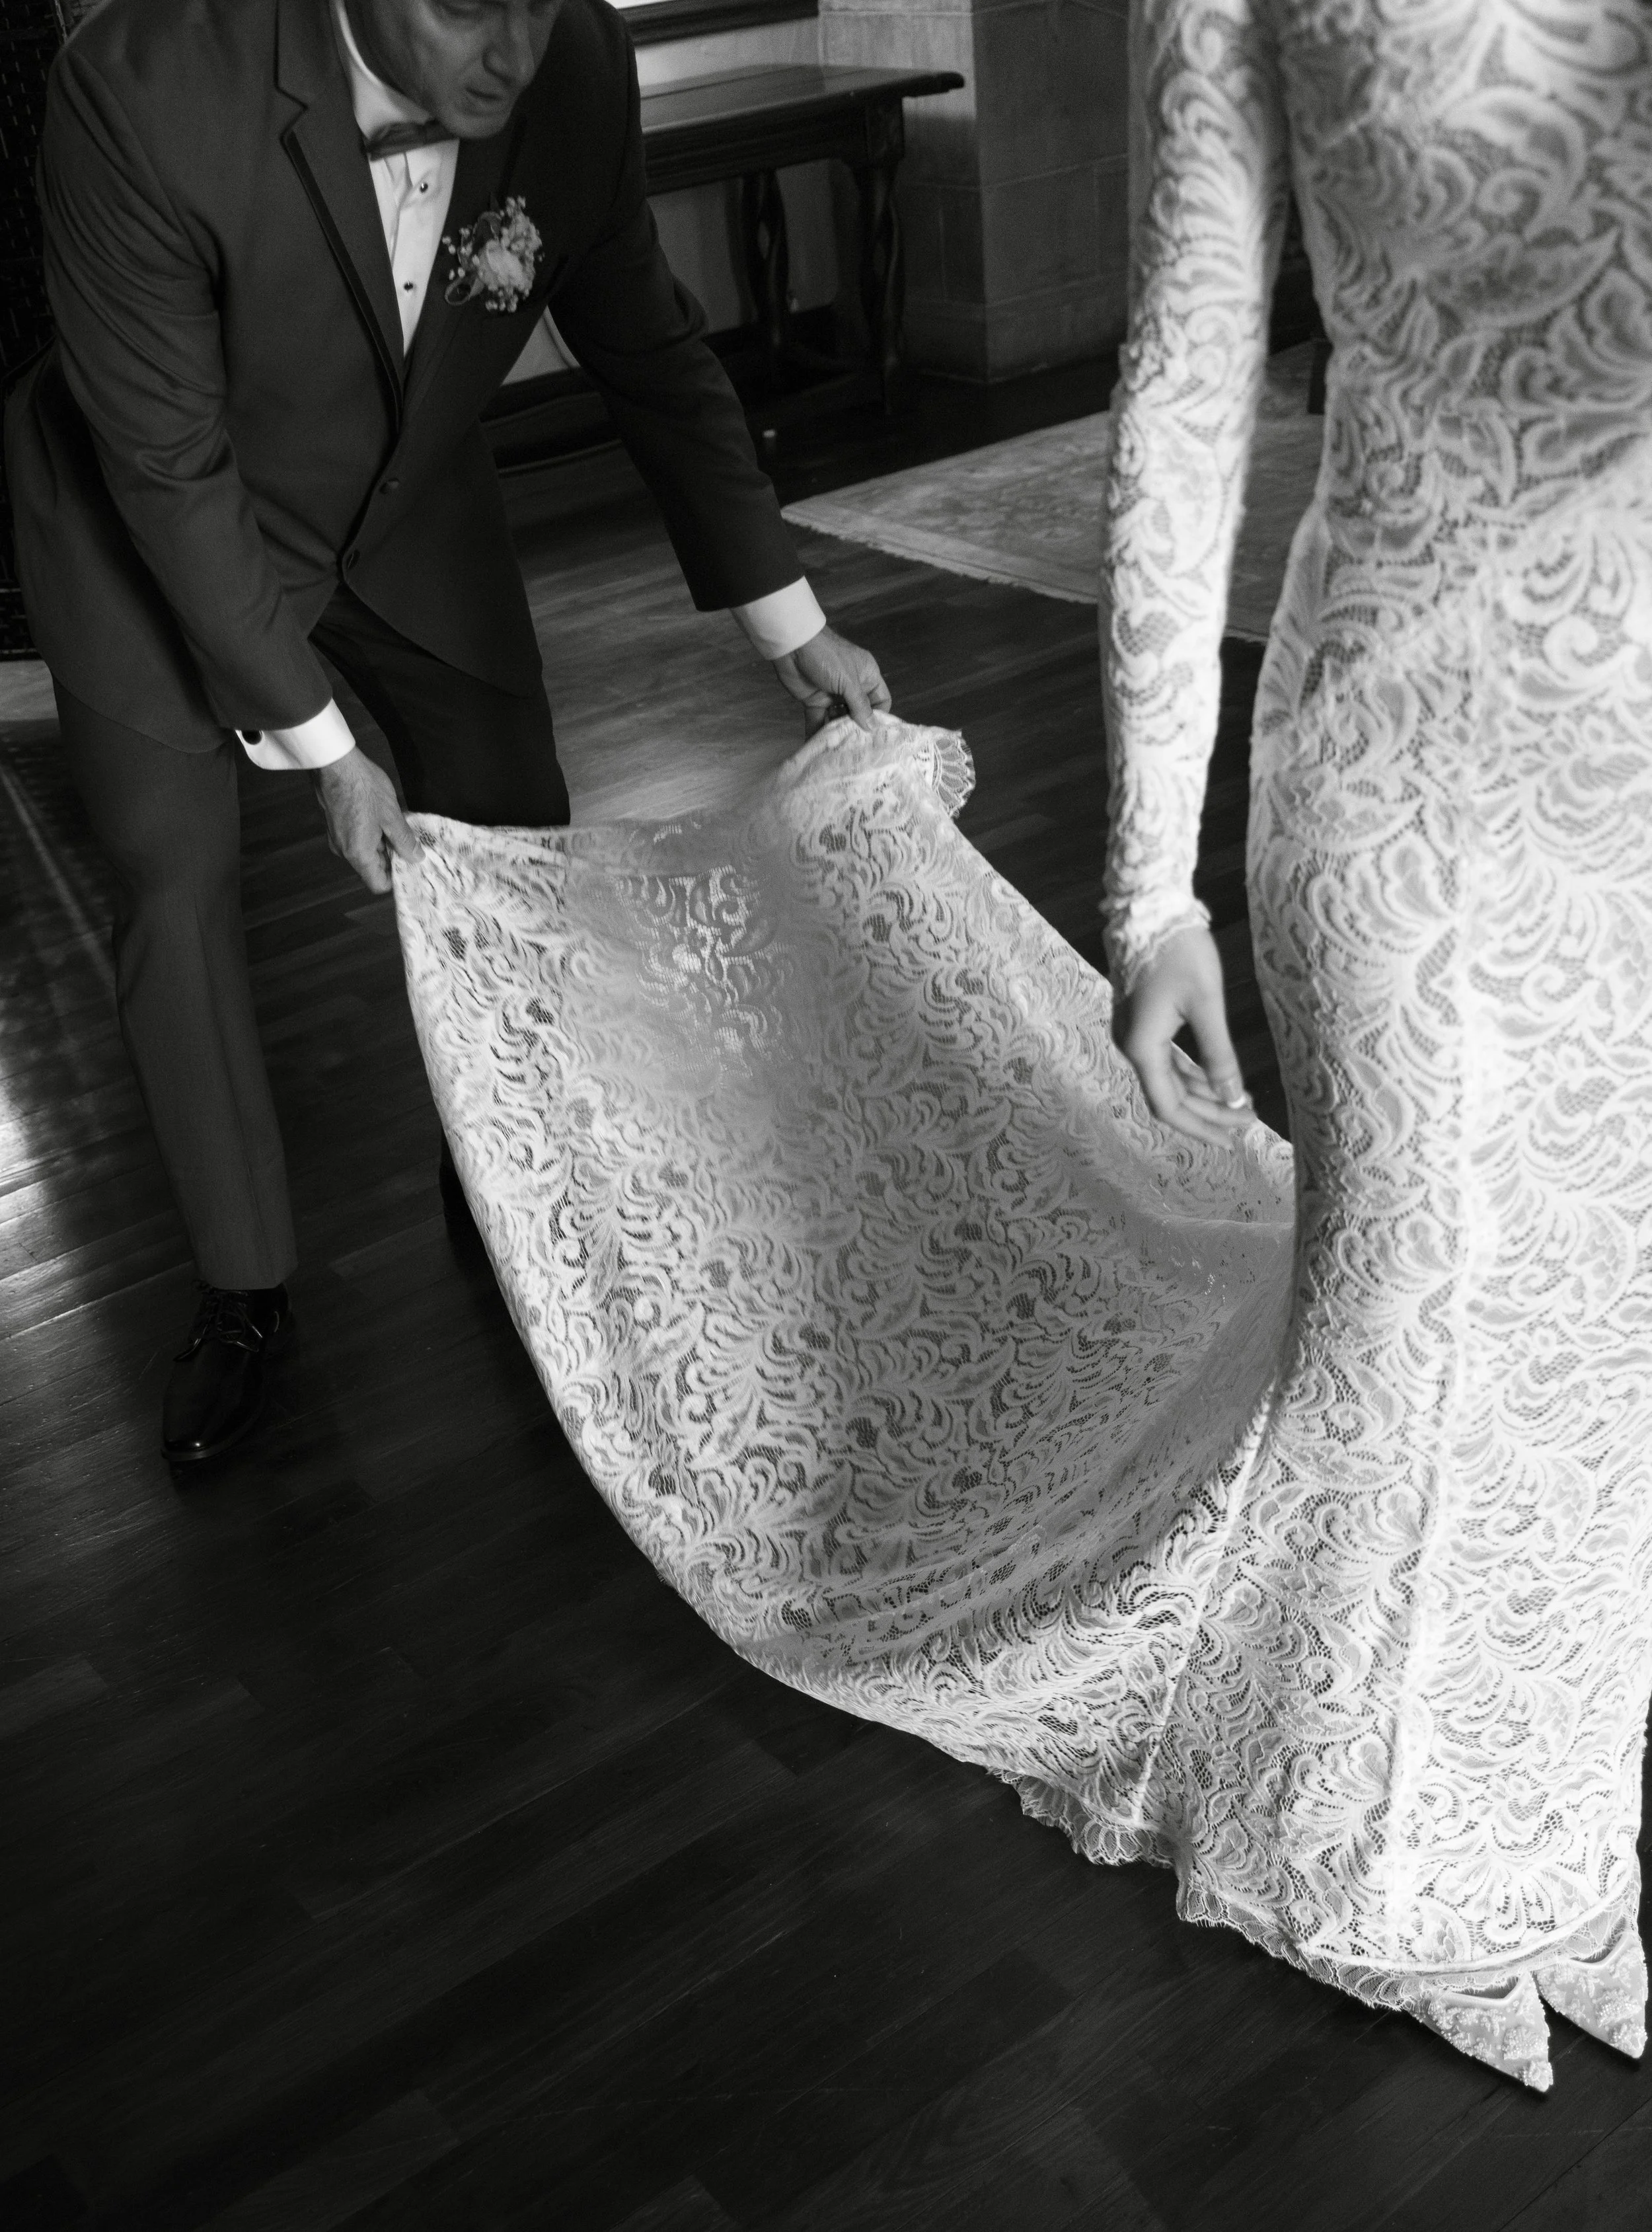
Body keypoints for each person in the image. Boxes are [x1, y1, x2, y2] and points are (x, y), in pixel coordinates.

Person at [389, 0, 1652, 2088]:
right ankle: (1388, 1858)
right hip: (1407, 781)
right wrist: (1149, 883)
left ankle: (1548, 1813)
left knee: (1599, 1333)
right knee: (1415, 1319)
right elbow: (1175, 398)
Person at [1, 0, 889, 1465]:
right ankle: (243, 1294)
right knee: (173, 874)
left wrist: (791, 625)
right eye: (468, 2)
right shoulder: (138, 86)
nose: (514, 48)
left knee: (517, 818)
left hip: (402, 506)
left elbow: (651, 351)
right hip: (144, 522)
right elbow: (167, 469)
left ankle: (508, 1181)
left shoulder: (575, 63)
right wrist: (320, 745)